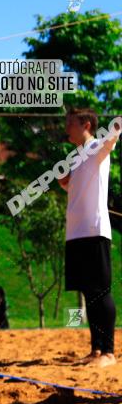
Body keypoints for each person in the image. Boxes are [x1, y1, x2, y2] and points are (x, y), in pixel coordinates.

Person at [59, 108, 119, 367]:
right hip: (76, 234)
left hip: (94, 231)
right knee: (89, 293)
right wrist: (65, 183)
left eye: (70, 123)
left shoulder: (97, 147)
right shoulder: (76, 156)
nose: (66, 127)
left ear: (85, 124)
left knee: (100, 292)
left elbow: (116, 130)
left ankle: (108, 353)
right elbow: (79, 188)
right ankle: (96, 350)